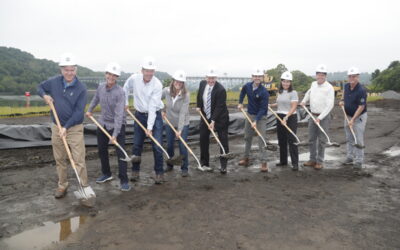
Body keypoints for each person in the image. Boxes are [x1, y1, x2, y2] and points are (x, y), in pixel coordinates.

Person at [37, 53, 89, 198]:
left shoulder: (81, 88)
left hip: (74, 128)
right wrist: (45, 96)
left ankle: (83, 187)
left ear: (76, 70)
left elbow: (79, 113)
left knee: (78, 159)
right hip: (56, 127)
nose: (69, 73)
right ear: (61, 70)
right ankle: (62, 185)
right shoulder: (54, 82)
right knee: (60, 159)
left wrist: (66, 127)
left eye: (72, 69)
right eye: (66, 69)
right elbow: (40, 87)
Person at [86, 62, 130, 191]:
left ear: (117, 77)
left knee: (121, 153)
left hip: (118, 125)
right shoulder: (100, 87)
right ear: (105, 74)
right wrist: (90, 110)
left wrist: (115, 134)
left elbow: (119, 115)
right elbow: (95, 99)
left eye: (114, 75)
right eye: (109, 74)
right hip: (103, 123)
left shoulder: (120, 92)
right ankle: (106, 174)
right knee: (102, 150)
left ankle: (124, 180)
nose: (111, 77)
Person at [123, 57, 165, 184]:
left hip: (155, 115)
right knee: (136, 145)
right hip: (139, 115)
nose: (149, 74)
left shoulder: (157, 84)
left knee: (157, 145)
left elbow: (152, 107)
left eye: (151, 71)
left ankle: (159, 173)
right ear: (142, 70)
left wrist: (150, 127)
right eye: (147, 70)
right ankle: (135, 171)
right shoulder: (134, 78)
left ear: (154, 72)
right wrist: (125, 102)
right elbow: (125, 87)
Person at [300, 64, 335, 170]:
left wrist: (320, 117)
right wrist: (304, 101)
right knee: (311, 138)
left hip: (323, 117)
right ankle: (312, 159)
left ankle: (319, 161)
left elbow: (330, 105)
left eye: (322, 75)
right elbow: (308, 93)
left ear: (325, 76)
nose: (320, 76)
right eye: (318, 74)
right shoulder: (313, 84)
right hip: (312, 115)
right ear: (316, 75)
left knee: (322, 139)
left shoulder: (329, 88)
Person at [196, 68, 229, 174]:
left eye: (213, 78)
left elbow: (219, 107)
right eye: (209, 78)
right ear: (206, 78)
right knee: (203, 138)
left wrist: (213, 120)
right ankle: (204, 163)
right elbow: (199, 95)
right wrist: (198, 106)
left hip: (220, 118)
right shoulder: (202, 84)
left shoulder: (221, 90)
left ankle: (223, 165)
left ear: (216, 78)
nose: (211, 80)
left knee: (223, 140)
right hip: (205, 116)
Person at [237, 68, 269, 172]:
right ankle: (246, 158)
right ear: (252, 76)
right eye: (255, 76)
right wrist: (240, 102)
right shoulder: (247, 86)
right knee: (247, 137)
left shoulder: (264, 92)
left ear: (262, 78)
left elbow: (263, 108)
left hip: (261, 117)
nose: (257, 78)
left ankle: (264, 162)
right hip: (250, 114)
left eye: (259, 76)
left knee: (261, 139)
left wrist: (256, 120)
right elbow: (242, 93)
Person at [162, 70, 190, 177]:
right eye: (177, 81)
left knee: (182, 145)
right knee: (169, 145)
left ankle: (184, 167)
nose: (178, 83)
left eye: (181, 82)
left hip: (183, 123)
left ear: (183, 83)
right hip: (169, 122)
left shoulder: (185, 95)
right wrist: (162, 109)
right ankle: (170, 165)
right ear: (173, 81)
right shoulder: (166, 91)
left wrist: (180, 130)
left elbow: (183, 113)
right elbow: (156, 100)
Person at [270, 71, 299, 171]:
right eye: (284, 81)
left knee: (291, 140)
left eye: (288, 82)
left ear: (291, 83)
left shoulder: (293, 93)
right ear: (281, 82)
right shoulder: (280, 92)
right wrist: (271, 106)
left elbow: (294, 107)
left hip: (290, 117)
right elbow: (279, 103)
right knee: (281, 140)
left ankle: (295, 163)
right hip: (279, 116)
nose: (286, 83)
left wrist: (286, 118)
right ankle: (283, 161)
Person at [339, 67, 367, 169]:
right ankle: (350, 157)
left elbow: (361, 107)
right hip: (348, 115)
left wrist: (353, 119)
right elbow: (344, 93)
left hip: (359, 117)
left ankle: (359, 161)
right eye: (350, 76)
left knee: (358, 138)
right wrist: (342, 100)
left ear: (358, 77)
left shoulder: (361, 90)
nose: (351, 78)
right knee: (349, 137)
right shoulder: (346, 86)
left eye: (354, 76)